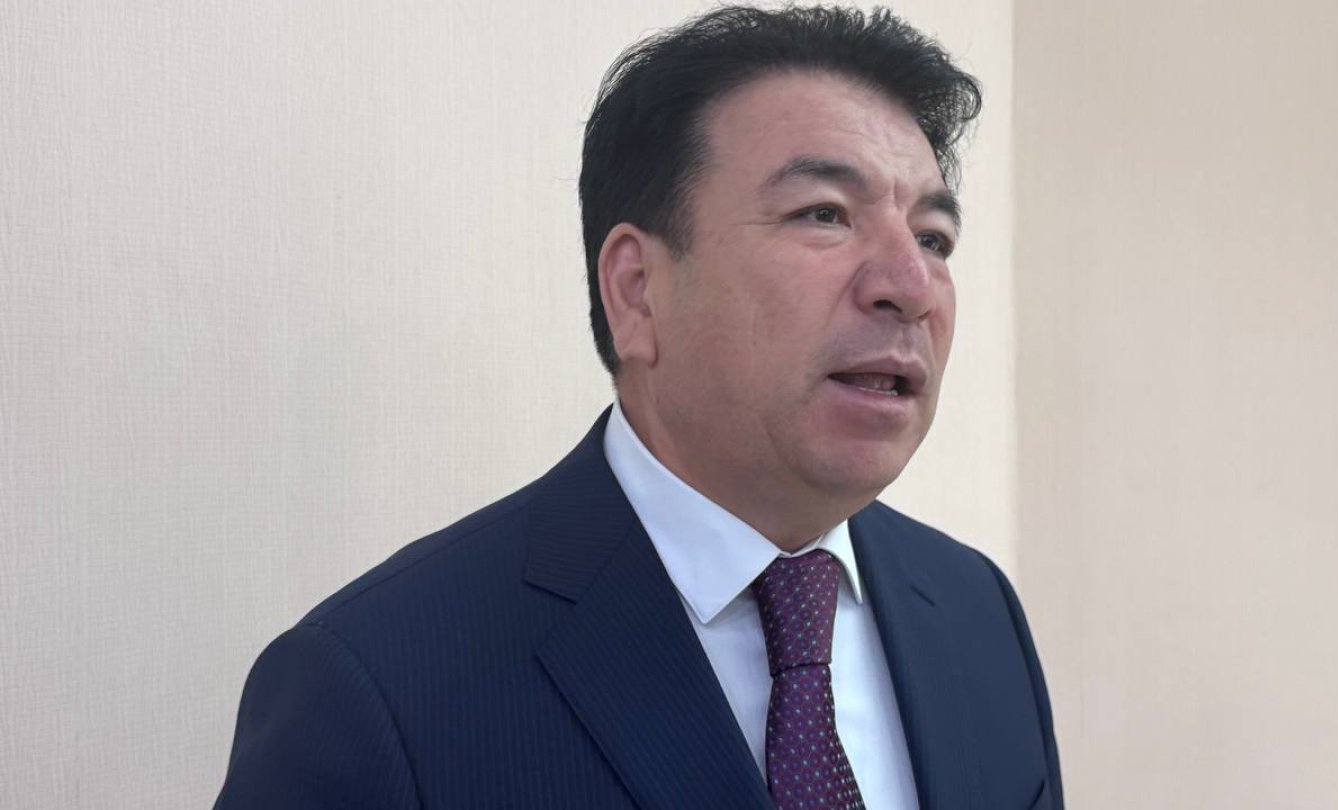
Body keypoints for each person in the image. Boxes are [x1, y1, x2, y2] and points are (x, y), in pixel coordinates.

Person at [213, 6, 1061, 809]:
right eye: (824, 214)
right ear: (637, 290)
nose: (910, 285)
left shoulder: (975, 613)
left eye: (933, 238)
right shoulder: (379, 686)